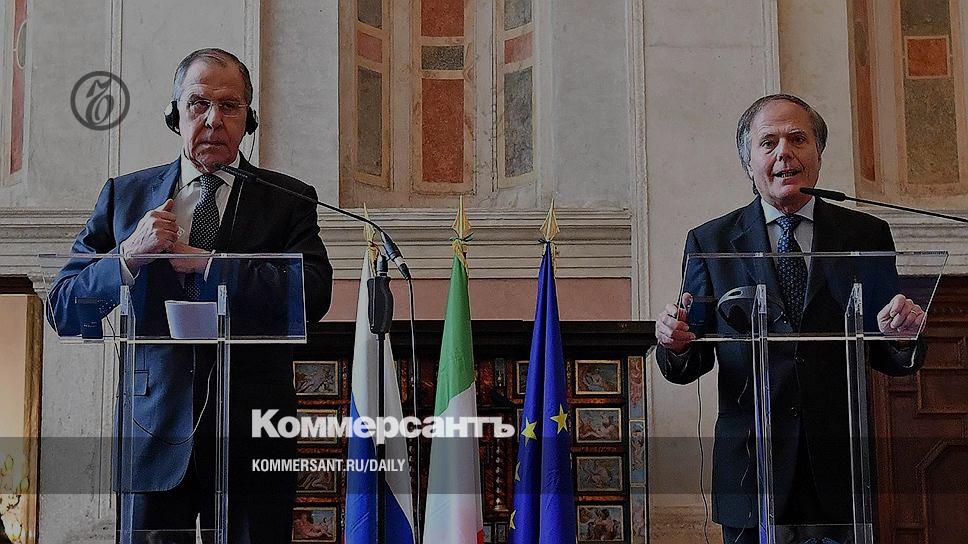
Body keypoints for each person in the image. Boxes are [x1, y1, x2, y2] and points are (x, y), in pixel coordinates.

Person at [47, 48, 333, 543]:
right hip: (151, 431)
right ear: (174, 113)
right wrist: (128, 255)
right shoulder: (125, 197)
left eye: (230, 106)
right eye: (199, 103)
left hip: (253, 433)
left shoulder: (288, 199)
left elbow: (314, 294)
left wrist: (210, 264)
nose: (213, 119)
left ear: (249, 119)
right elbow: (64, 307)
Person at [654, 94, 925, 543]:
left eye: (798, 139)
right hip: (751, 467)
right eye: (769, 142)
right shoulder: (711, 241)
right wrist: (676, 342)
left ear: (818, 155)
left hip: (840, 464)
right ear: (748, 163)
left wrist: (902, 335)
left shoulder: (866, 235)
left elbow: (890, 352)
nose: (785, 153)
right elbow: (689, 359)